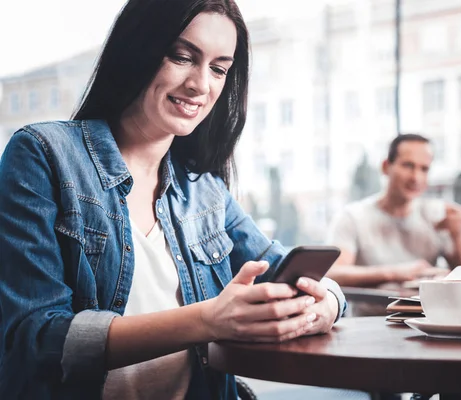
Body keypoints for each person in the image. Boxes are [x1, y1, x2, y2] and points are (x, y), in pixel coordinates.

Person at [0, 1, 346, 399]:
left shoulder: (203, 190)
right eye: (183, 57)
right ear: (138, 51)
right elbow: (39, 337)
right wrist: (208, 320)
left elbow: (290, 271)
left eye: (219, 68)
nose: (201, 85)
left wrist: (328, 305)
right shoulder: (43, 154)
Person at [326, 133, 461, 289]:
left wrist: (457, 237)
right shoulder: (353, 217)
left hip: (424, 315)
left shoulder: (436, 215)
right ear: (386, 167)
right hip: (369, 315)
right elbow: (333, 274)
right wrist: (394, 273)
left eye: (424, 169)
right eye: (408, 166)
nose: (416, 178)